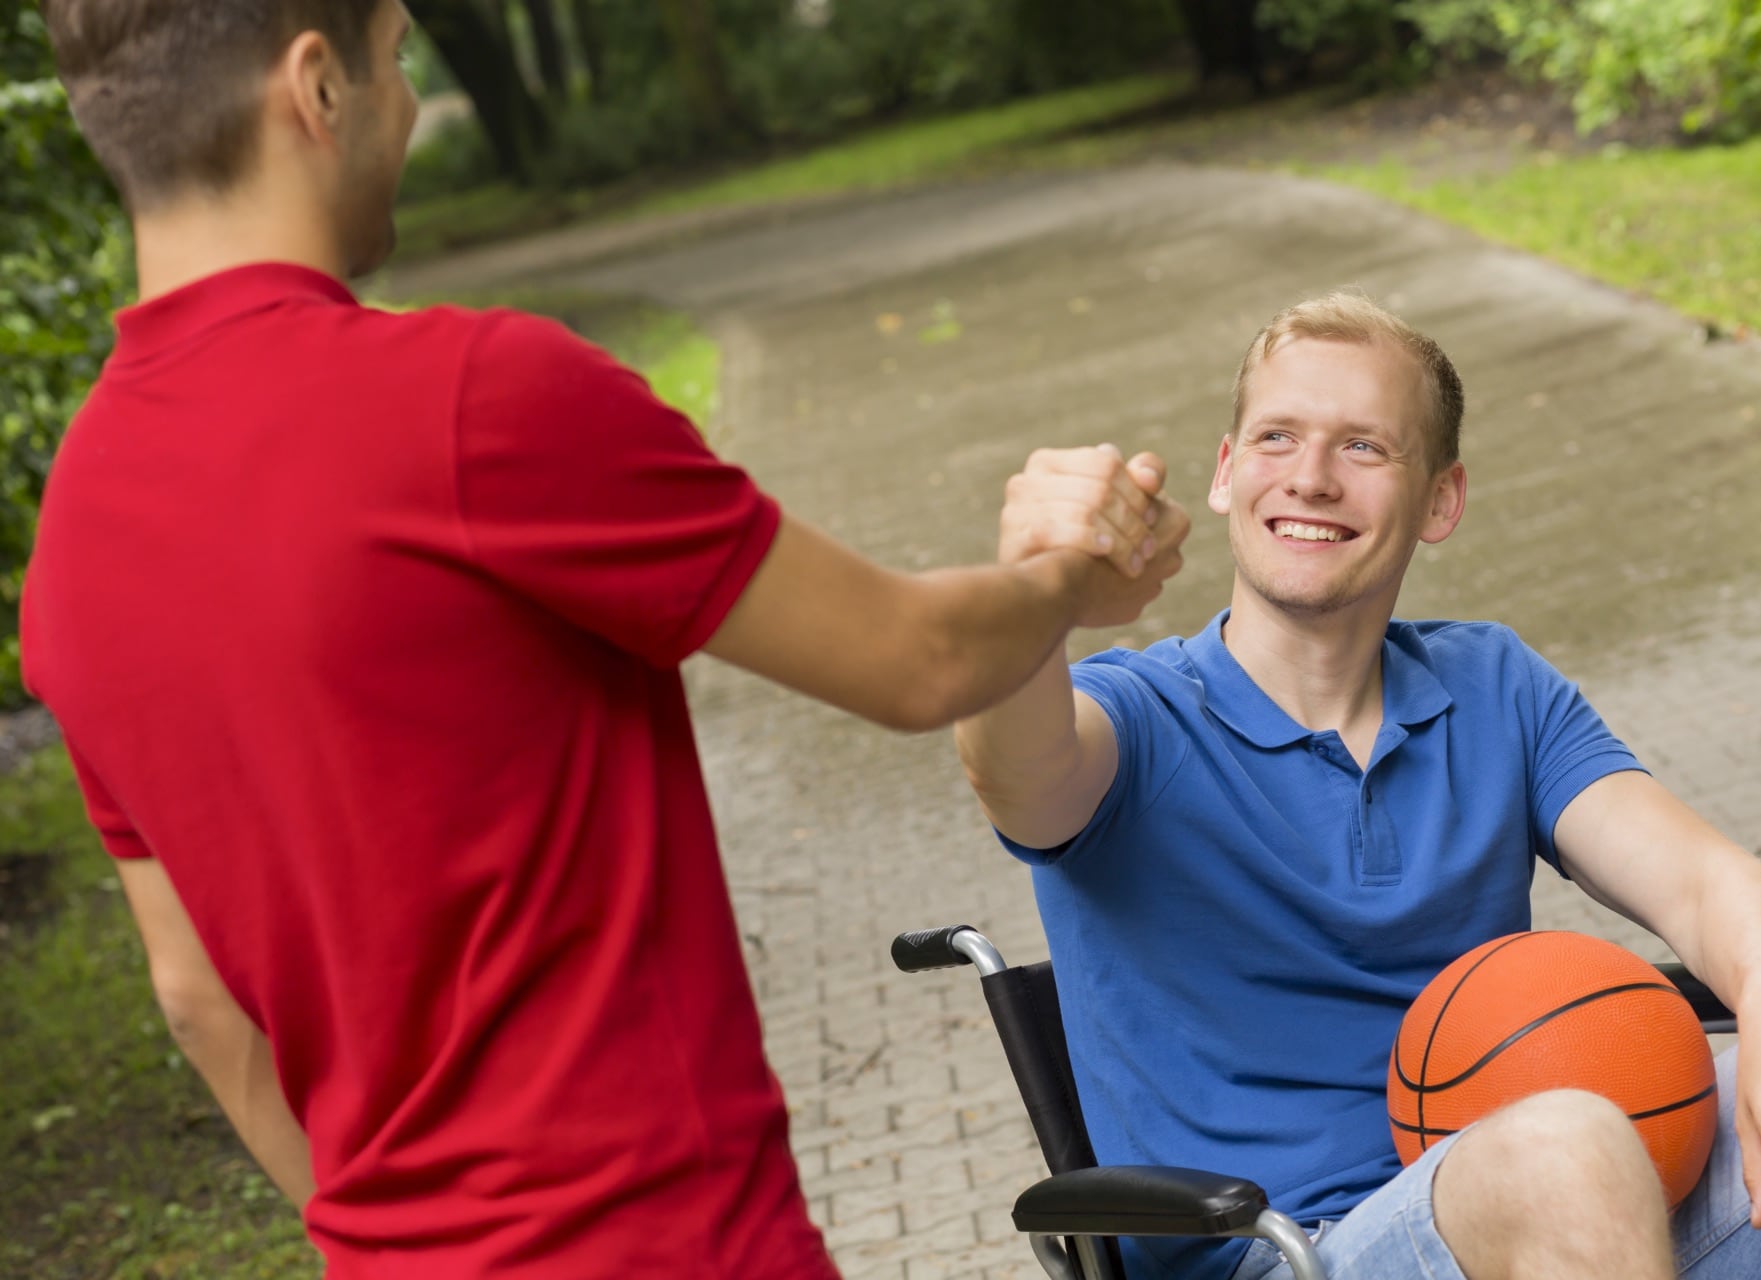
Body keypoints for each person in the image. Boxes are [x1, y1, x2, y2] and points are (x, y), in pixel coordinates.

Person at [20, 2, 1187, 1277]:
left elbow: (197, 1001)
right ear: (318, 88)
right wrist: (1074, 576)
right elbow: (914, 659)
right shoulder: (476, 400)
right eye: (396, 54)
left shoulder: (68, 545)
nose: (407, 104)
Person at [958, 291, 1761, 1280]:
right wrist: (1033, 594)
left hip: (1580, 1218)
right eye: (1277, 436)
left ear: (1441, 499)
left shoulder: (1493, 686)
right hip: (1287, 1252)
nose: (1313, 477)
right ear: (1227, 470)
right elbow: (1012, 765)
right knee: (1567, 1144)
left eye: (1365, 447)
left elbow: (1705, 882)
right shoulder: (1137, 719)